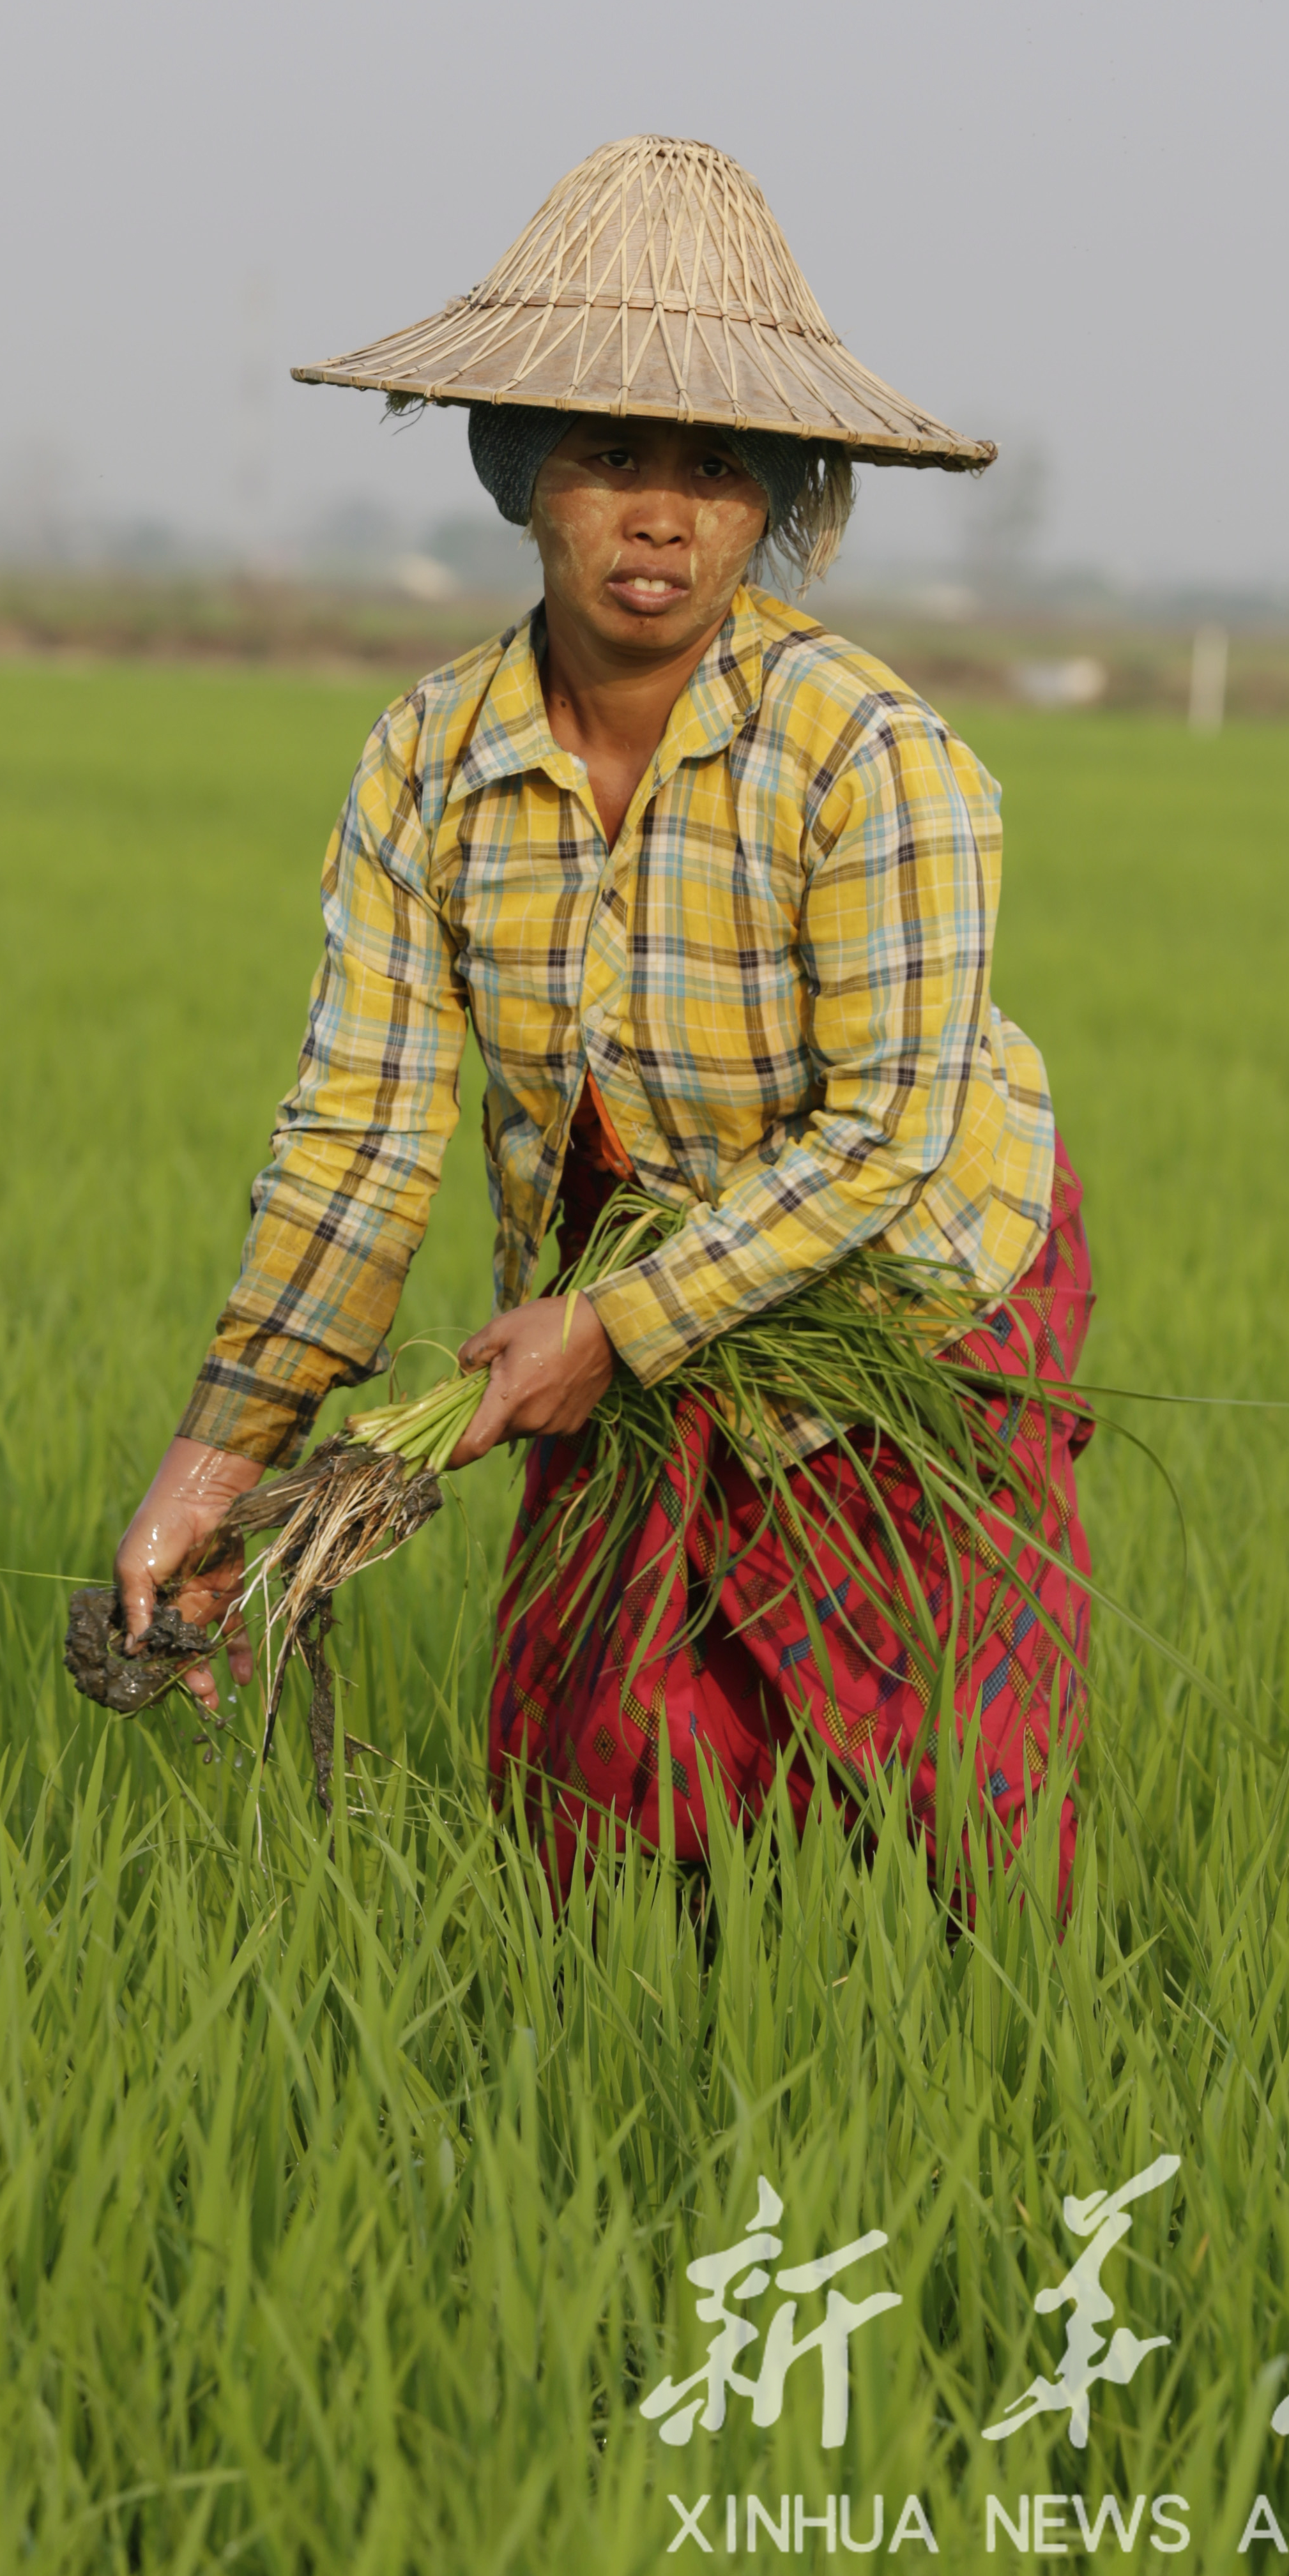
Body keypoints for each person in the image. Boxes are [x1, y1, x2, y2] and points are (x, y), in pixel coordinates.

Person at [114, 136, 1094, 1902]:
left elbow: (885, 1134)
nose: (661, 514)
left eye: (717, 467)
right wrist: (223, 1453)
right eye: (608, 455)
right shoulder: (429, 757)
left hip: (903, 1287)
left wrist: (620, 1324)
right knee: (599, 1787)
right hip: (611, 1284)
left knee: (937, 1782)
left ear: (781, 495)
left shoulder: (873, 756)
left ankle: (965, 2059)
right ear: (516, 474)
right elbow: (356, 1133)